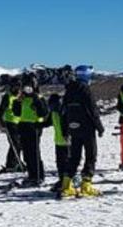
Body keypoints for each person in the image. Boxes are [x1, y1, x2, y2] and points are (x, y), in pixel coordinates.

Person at [59, 64, 105, 198]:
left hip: (73, 128)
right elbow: (92, 111)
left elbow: (64, 112)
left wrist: (64, 130)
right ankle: (86, 185)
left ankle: (66, 185)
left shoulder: (69, 90)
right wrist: (99, 127)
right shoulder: (85, 89)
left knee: (74, 156)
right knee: (91, 155)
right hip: (87, 128)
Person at [14, 73, 49, 186]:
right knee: (27, 153)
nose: (27, 88)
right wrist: (17, 102)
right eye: (25, 86)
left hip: (34, 127)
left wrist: (37, 101)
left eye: (29, 86)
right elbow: (16, 112)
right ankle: (31, 175)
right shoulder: (22, 98)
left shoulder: (38, 97)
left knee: (34, 152)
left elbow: (44, 112)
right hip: (24, 126)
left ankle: (39, 176)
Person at [0, 81, 24, 173]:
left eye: (18, 88)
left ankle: (17, 162)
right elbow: (1, 110)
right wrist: (2, 122)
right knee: (14, 144)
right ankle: (11, 164)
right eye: (15, 87)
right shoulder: (8, 97)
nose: (17, 89)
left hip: (20, 123)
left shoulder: (20, 96)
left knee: (19, 144)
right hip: (10, 123)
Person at [47, 93, 69, 193]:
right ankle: (62, 180)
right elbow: (48, 122)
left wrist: (66, 134)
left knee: (67, 163)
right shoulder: (53, 113)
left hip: (67, 142)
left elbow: (66, 124)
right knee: (60, 164)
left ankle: (68, 181)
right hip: (58, 141)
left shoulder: (63, 111)